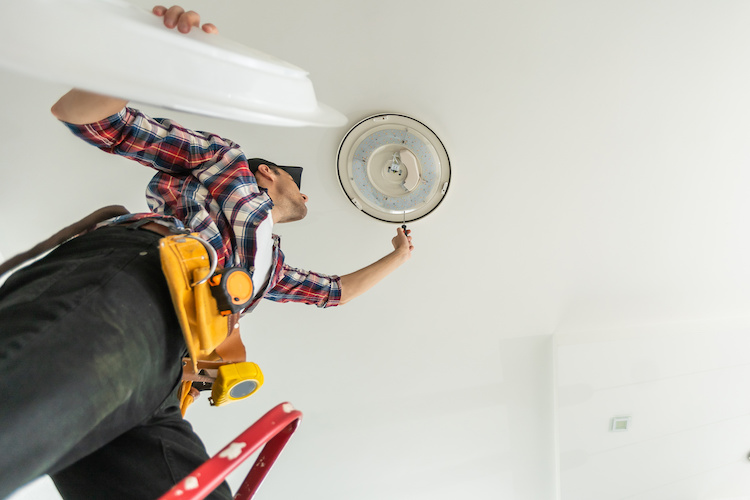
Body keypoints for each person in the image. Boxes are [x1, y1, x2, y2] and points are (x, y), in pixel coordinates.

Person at [0, 5, 413, 499]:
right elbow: (94, 121)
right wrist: (151, 56)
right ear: (267, 175)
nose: (307, 198)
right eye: (299, 187)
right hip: (141, 282)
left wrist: (400, 256)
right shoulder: (226, 164)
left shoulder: (269, 266)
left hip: (169, 376)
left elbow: (336, 292)